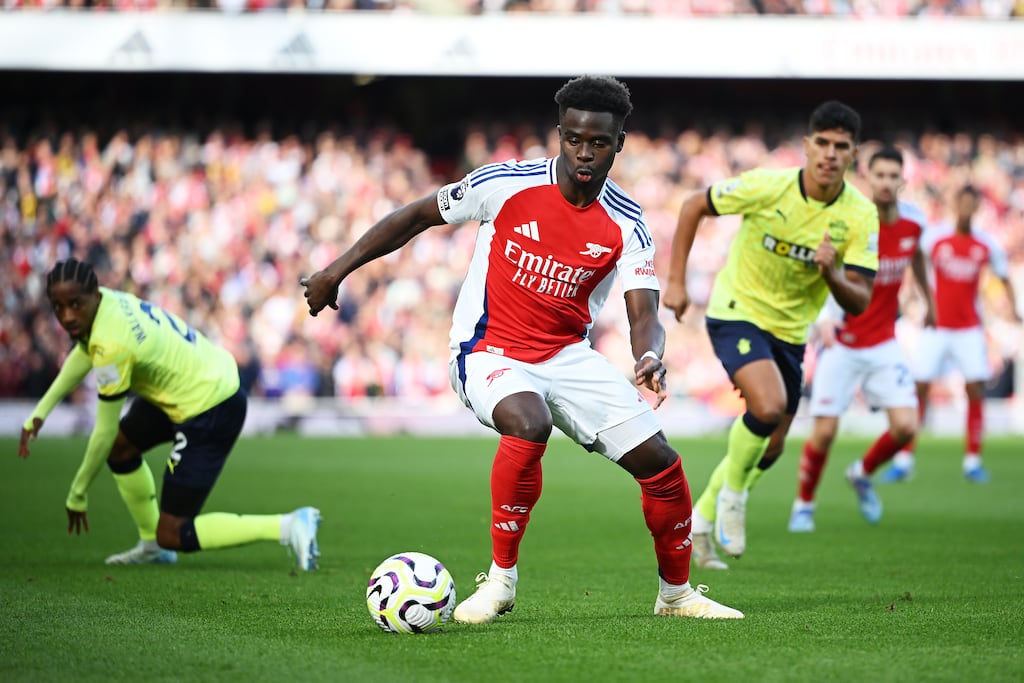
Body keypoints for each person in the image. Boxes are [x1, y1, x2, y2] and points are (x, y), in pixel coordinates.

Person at [302, 75, 742, 620]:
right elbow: (414, 217)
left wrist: (649, 355)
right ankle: (500, 581)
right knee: (530, 422)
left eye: (599, 142)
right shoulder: (504, 183)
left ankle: (675, 595)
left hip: (566, 355)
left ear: (619, 144)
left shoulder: (627, 222)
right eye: (574, 139)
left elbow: (645, 313)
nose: (585, 153)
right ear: (559, 134)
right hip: (487, 351)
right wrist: (335, 272)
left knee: (663, 465)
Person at [663, 100, 878, 569]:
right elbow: (694, 203)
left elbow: (860, 300)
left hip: (791, 330)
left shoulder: (860, 215)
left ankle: (702, 517)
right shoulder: (768, 186)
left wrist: (832, 273)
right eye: (823, 143)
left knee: (774, 442)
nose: (830, 154)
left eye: (841, 146)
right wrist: (676, 281)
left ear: (853, 154)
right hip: (737, 311)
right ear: (807, 146)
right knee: (768, 406)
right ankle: (734, 498)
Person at [19, 259, 321, 570]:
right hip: (191, 380)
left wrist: (78, 492)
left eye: (74, 305)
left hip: (210, 403)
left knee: (173, 533)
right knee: (121, 449)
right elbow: (85, 351)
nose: (67, 315)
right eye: (58, 307)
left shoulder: (112, 344)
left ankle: (289, 526)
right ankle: (151, 547)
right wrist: (41, 412)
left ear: (93, 296)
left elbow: (104, 430)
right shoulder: (106, 302)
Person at [788, 146, 936, 533]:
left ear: (903, 180)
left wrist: (929, 300)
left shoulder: (914, 223)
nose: (886, 182)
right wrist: (823, 319)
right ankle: (804, 504)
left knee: (906, 427)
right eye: (879, 175)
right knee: (824, 432)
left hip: (884, 341)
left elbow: (917, 257)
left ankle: (862, 472)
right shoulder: (852, 222)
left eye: (893, 176)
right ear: (868, 178)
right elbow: (825, 271)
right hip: (842, 341)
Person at [881, 185, 1021, 484]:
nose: (966, 209)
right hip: (936, 327)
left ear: (978, 207)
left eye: (972, 204)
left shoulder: (986, 243)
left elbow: (1004, 276)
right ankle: (904, 458)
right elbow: (914, 263)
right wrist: (913, 298)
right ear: (955, 203)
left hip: (969, 328)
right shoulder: (935, 237)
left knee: (975, 389)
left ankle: (973, 460)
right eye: (963, 203)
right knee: (919, 387)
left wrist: (1013, 310)